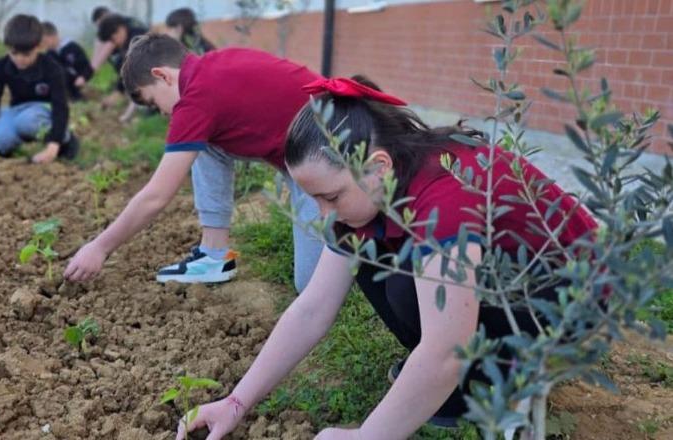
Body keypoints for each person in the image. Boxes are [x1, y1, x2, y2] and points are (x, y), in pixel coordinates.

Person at [178, 77, 598, 439]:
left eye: (331, 196)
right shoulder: (381, 187)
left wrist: (365, 435)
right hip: (507, 280)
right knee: (374, 260)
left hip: (566, 295)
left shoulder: (445, 196)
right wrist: (235, 402)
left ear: (377, 166)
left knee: (426, 319)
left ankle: (497, 376)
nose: (325, 214)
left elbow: (446, 348)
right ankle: (462, 382)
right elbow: (312, 308)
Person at [64, 34, 324, 293]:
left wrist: (99, 248)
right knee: (203, 144)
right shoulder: (209, 67)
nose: (163, 113)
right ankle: (214, 255)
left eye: (154, 103)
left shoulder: (196, 99)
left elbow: (156, 196)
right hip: (316, 143)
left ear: (162, 75)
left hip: (333, 157)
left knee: (311, 288)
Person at [0, 14, 78, 163]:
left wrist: (54, 145)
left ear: (39, 47)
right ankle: (9, 148)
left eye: (26, 54)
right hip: (16, 110)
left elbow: (60, 106)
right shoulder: (0, 67)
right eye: (14, 53)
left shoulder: (52, 68)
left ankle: (65, 139)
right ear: (7, 47)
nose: (19, 59)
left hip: (43, 110)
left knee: (26, 121)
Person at [95, 13, 149, 121]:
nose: (114, 45)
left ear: (119, 31)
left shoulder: (137, 41)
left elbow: (135, 74)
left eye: (113, 40)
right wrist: (117, 92)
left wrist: (126, 115)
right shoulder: (129, 34)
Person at [41, 21, 93, 100]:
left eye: (44, 41)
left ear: (52, 36)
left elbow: (87, 67)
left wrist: (83, 77)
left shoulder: (72, 48)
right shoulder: (49, 53)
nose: (43, 45)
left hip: (75, 84)